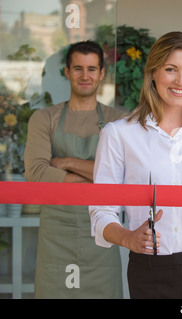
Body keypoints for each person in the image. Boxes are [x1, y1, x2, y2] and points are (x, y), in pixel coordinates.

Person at [89, 31, 182, 299]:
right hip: (149, 272)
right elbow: (101, 211)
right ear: (153, 74)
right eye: (171, 69)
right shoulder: (118, 134)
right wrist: (126, 237)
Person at [24, 40, 126, 298]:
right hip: (56, 232)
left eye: (92, 69)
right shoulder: (44, 118)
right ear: (67, 72)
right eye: (78, 68)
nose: (85, 76)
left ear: (102, 73)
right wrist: (97, 180)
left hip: (103, 230)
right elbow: (36, 174)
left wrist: (66, 163)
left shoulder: (119, 121)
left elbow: (123, 177)